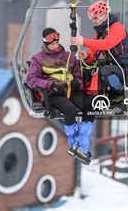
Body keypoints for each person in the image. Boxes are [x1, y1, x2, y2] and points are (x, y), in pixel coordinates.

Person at [26, 28, 94, 164]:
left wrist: (77, 83)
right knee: (69, 109)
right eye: (52, 44)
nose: (56, 46)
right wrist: (49, 85)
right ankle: (74, 144)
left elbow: (78, 77)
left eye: (57, 42)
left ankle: (82, 144)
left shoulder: (69, 56)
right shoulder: (38, 59)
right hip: (54, 93)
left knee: (90, 105)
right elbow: (31, 79)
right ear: (46, 44)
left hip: (70, 90)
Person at [70, 1, 128, 97]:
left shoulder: (118, 28)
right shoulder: (100, 33)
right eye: (92, 18)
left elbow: (106, 44)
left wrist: (83, 41)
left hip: (127, 69)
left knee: (105, 70)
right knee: (80, 65)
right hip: (112, 65)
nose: (93, 21)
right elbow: (93, 54)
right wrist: (86, 56)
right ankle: (85, 94)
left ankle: (118, 94)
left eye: (95, 18)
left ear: (104, 15)